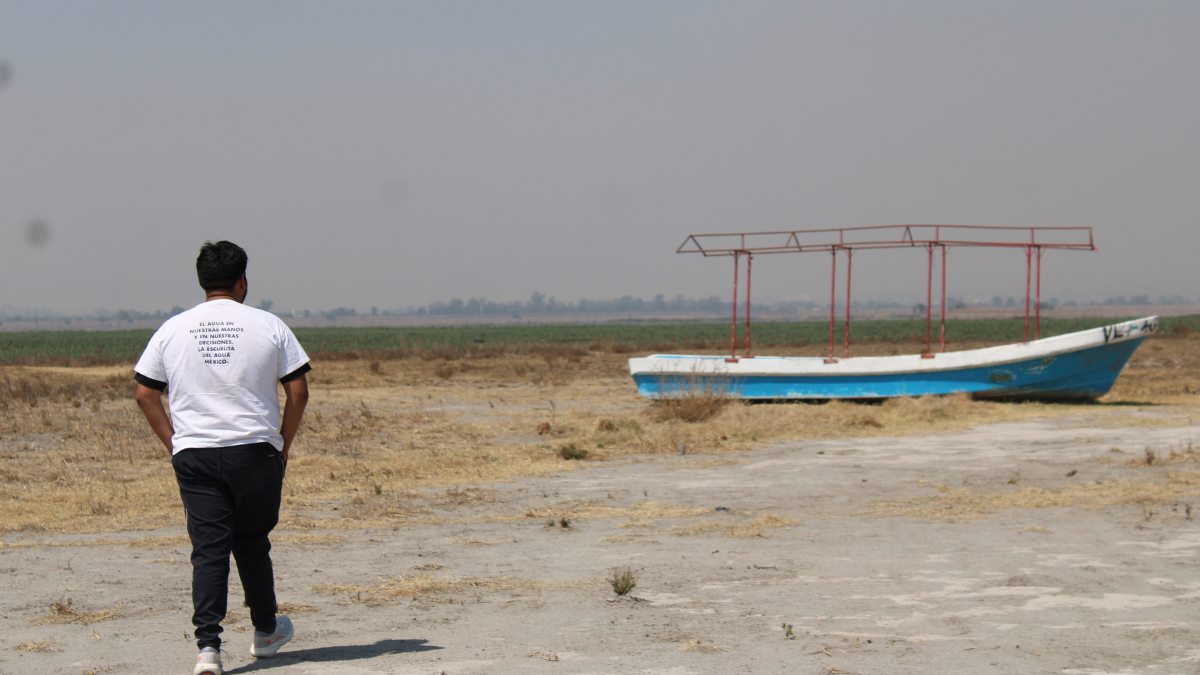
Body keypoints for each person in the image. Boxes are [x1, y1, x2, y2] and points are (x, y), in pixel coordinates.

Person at [134, 241, 311, 675]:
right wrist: (282, 446)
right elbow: (298, 392)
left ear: (202, 280)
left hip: (195, 453)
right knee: (251, 541)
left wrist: (174, 442)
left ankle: (208, 650)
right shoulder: (269, 325)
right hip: (255, 451)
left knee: (209, 550)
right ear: (242, 280)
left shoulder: (173, 329)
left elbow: (145, 393)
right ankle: (266, 631)